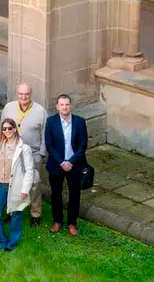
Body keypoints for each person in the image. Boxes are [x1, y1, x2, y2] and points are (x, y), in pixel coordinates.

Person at [0, 82, 48, 227]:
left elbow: (45, 134)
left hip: (33, 154)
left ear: (31, 94)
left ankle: (35, 213)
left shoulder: (40, 111)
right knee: (11, 183)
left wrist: (41, 154)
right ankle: (12, 211)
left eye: (26, 94)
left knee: (34, 184)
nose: (23, 97)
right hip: (12, 152)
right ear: (17, 93)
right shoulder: (9, 107)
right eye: (21, 94)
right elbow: (2, 128)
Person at [0, 118, 35, 251]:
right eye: (4, 129)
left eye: (9, 128)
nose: (7, 131)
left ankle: (13, 243)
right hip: (1, 185)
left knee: (16, 215)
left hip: (16, 186)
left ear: (15, 129)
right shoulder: (0, 145)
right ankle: (1, 241)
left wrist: (25, 189)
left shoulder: (23, 148)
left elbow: (29, 170)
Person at [45, 94, 88, 237]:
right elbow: (49, 145)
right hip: (57, 164)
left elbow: (83, 145)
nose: (64, 107)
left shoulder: (80, 122)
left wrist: (71, 162)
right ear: (57, 107)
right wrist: (62, 162)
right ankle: (57, 221)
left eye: (67, 104)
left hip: (75, 164)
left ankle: (72, 223)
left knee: (74, 194)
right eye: (62, 105)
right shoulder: (51, 122)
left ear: (71, 106)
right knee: (56, 194)